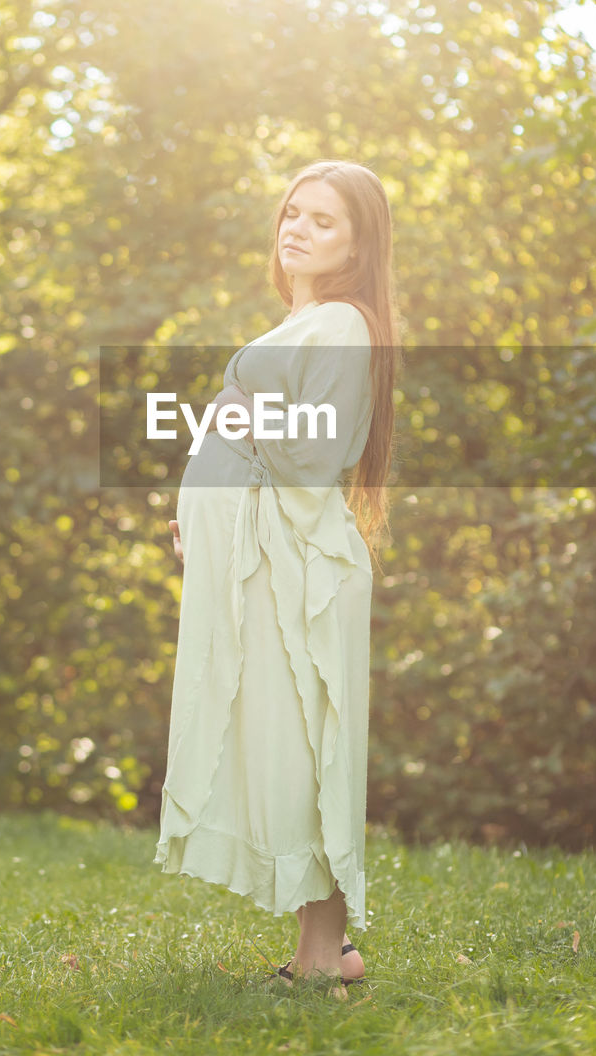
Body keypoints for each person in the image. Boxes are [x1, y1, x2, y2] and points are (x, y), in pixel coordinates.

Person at [155, 160, 403, 998]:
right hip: (267, 561)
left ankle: (323, 954)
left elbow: (309, 455)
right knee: (291, 739)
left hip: (300, 572)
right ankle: (321, 952)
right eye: (291, 212)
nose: (295, 227)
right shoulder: (307, 323)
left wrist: (228, 415)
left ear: (358, 243)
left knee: (307, 743)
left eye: (322, 220)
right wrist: (206, 521)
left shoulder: (340, 324)